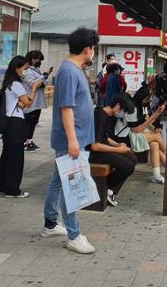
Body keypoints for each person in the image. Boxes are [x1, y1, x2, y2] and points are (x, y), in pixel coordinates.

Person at [42, 27, 99, 255]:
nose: (93, 52)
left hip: (75, 138)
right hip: (71, 140)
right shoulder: (68, 71)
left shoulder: (74, 69)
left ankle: (50, 223)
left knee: (59, 181)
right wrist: (73, 140)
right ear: (87, 49)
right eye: (93, 48)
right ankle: (74, 235)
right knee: (71, 187)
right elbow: (66, 107)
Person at [0, 56, 44, 198]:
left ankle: (2, 186)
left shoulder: (8, 83)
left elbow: (20, 104)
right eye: (24, 68)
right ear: (17, 67)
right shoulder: (16, 84)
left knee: (7, 156)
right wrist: (34, 89)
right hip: (15, 123)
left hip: (10, 122)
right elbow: (28, 103)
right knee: (15, 158)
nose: (25, 71)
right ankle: (12, 189)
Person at [88, 93, 137, 207]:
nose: (123, 114)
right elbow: (95, 146)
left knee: (132, 158)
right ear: (118, 106)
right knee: (128, 166)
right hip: (94, 153)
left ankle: (110, 190)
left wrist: (118, 145)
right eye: (124, 110)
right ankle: (106, 189)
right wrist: (118, 150)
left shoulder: (106, 115)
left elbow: (106, 138)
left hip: (101, 149)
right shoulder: (100, 115)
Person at [115, 88, 167, 184]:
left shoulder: (140, 107)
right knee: (157, 137)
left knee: (155, 144)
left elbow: (144, 122)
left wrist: (154, 127)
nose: (148, 101)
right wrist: (156, 114)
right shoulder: (133, 109)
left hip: (133, 135)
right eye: (147, 99)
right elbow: (137, 129)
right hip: (127, 137)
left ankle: (157, 175)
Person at [22, 50, 51, 152]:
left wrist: (43, 78)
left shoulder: (37, 69)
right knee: (28, 121)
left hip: (38, 98)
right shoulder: (26, 70)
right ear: (31, 59)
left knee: (34, 121)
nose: (39, 61)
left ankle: (30, 140)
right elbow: (32, 83)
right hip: (30, 98)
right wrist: (44, 76)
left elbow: (43, 82)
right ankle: (25, 142)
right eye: (37, 59)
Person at [153, 61, 167, 139]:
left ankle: (164, 147)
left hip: (160, 105)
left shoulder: (159, 77)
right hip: (166, 106)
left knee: (162, 127)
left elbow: (156, 93)